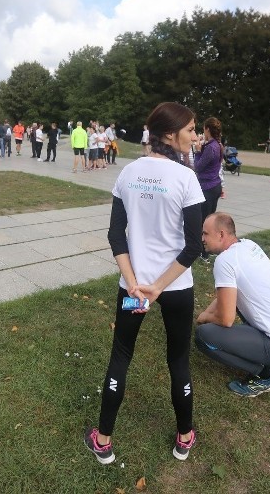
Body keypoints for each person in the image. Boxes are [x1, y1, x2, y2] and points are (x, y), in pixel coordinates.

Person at [85, 102, 204, 465]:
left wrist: (137, 283)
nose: (195, 136)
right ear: (170, 134)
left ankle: (103, 439)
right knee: (178, 358)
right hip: (175, 287)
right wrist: (156, 286)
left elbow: (114, 235)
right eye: (190, 130)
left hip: (133, 287)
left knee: (122, 353)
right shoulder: (185, 178)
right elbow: (194, 245)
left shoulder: (128, 173)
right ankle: (184, 436)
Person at [195, 212, 270, 397]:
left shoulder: (224, 261)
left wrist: (205, 317)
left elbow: (226, 319)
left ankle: (265, 376)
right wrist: (207, 313)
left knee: (204, 337)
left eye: (205, 234)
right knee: (236, 303)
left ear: (221, 234)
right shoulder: (248, 245)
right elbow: (228, 296)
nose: (202, 239)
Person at [194, 117, 224, 260]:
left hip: (207, 187)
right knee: (210, 220)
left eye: (204, 129)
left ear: (207, 129)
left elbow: (198, 167)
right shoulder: (217, 145)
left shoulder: (211, 148)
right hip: (215, 185)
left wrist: (198, 151)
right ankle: (208, 250)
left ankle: (203, 252)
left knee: (204, 222)